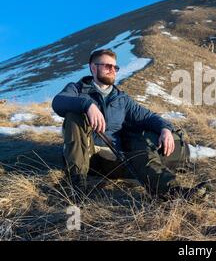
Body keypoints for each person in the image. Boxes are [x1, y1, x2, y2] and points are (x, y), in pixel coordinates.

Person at [52, 48, 197, 198]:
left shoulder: (121, 99)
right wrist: (87, 105)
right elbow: (58, 102)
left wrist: (165, 129)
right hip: (84, 153)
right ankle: (76, 186)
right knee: (74, 116)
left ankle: (174, 192)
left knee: (142, 153)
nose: (112, 70)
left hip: (113, 157)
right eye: (107, 66)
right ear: (93, 67)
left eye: (115, 67)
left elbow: (148, 117)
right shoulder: (76, 89)